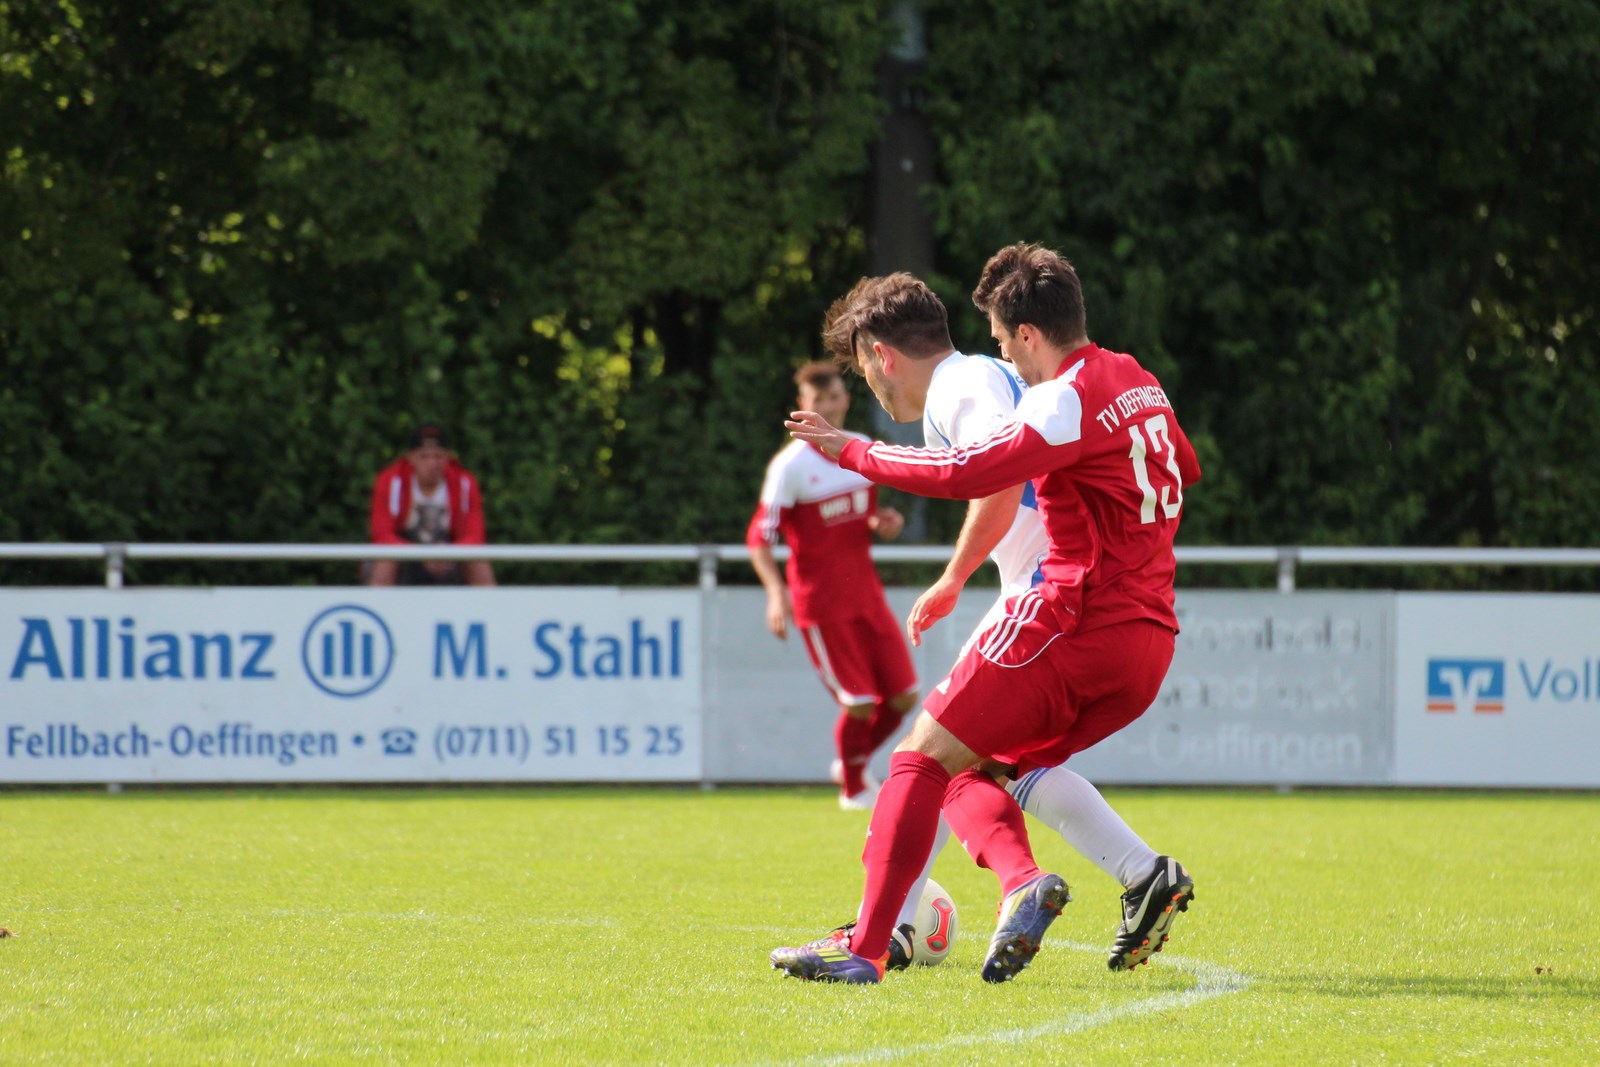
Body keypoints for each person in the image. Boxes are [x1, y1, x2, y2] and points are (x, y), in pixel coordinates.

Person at [773, 243, 1201, 984]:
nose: (1004, 356)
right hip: (1150, 634)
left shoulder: (1045, 394)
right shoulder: (1140, 380)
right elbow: (1182, 469)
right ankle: (1125, 875)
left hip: (1064, 614)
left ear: (1028, 334)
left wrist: (856, 452)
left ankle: (871, 944)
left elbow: (975, 472)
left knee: (919, 757)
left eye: (1005, 341)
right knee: (987, 771)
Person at [747, 362, 919, 809]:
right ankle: (854, 788)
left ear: (844, 399)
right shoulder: (791, 467)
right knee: (859, 702)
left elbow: (868, 517)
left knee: (904, 698)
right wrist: (774, 592)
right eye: (816, 399)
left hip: (867, 595)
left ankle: (852, 763)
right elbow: (759, 537)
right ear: (803, 406)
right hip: (822, 605)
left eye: (834, 396)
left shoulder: (861, 449)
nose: (827, 404)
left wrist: (884, 522)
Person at [367, 422, 495, 587]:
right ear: (411, 458)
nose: (432, 464)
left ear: (448, 457)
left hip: (449, 553)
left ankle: (488, 611)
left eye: (438, 456)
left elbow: (475, 535)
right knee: (385, 561)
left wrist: (450, 552)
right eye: (424, 457)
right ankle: (378, 609)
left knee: (479, 562)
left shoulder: (464, 483)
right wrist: (421, 554)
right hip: (405, 553)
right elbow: (382, 534)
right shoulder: (389, 481)